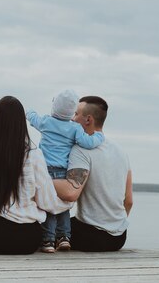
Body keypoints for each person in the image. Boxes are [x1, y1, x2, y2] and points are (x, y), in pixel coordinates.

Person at [0, 96, 71, 255]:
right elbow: (48, 203)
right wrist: (69, 203)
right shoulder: (33, 155)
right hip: (22, 239)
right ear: (21, 124)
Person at [25, 89, 105, 253]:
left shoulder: (46, 121)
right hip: (63, 172)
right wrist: (99, 136)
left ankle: (48, 241)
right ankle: (64, 238)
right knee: (64, 206)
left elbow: (33, 119)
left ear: (54, 107)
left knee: (48, 205)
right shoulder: (75, 128)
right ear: (72, 112)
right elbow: (87, 143)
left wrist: (29, 110)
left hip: (45, 171)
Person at [54, 95, 133, 252]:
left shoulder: (81, 149)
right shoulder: (121, 151)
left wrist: (40, 179)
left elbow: (71, 193)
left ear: (88, 120)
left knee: (46, 230)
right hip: (119, 237)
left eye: (76, 114)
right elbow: (129, 201)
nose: (72, 118)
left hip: (91, 237)